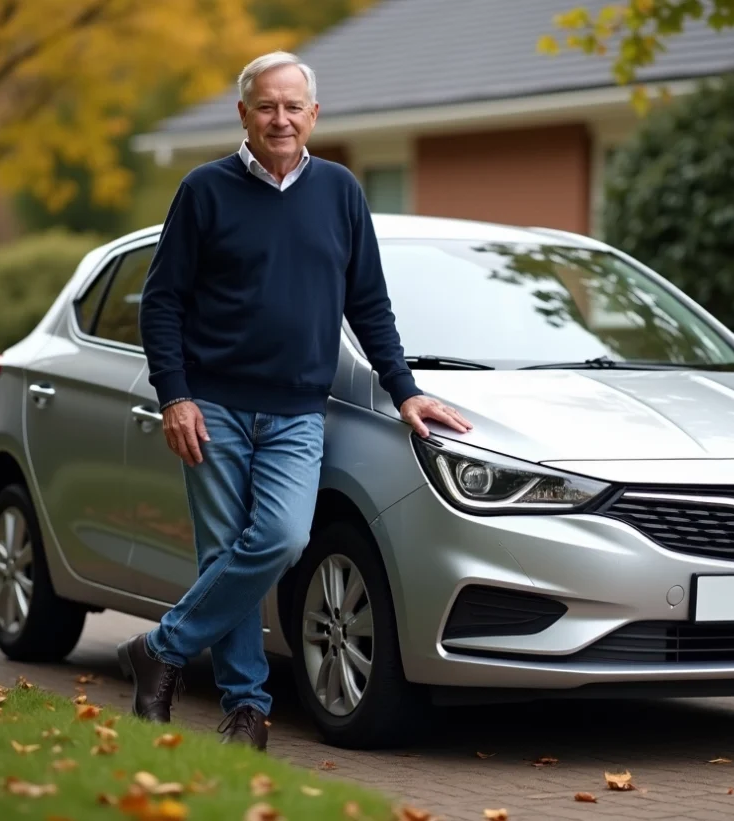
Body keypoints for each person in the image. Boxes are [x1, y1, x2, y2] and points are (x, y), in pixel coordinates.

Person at [116, 51, 471, 751]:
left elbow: (368, 303)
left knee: (279, 539)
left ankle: (160, 647)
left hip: (296, 412)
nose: (281, 119)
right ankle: (246, 709)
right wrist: (175, 396)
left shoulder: (340, 192)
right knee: (225, 552)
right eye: (266, 106)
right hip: (212, 404)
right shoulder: (203, 190)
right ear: (244, 114)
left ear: (314, 115)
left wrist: (405, 391)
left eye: (293, 106)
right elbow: (162, 303)